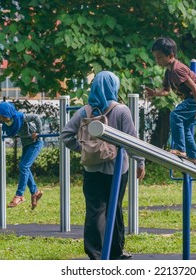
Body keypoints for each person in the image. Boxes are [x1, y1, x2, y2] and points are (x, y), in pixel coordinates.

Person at [60, 71, 145, 260]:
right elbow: (132, 140)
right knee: (115, 208)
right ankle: (116, 251)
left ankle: (95, 253)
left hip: (92, 169)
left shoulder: (85, 111)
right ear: (114, 87)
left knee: (95, 210)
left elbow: (65, 135)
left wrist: (82, 149)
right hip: (116, 170)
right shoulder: (121, 110)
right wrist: (140, 162)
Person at [144, 37, 196, 164]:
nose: (157, 61)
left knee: (175, 115)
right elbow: (166, 90)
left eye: (160, 57)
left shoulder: (177, 69)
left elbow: (195, 87)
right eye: (156, 57)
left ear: (171, 55)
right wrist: (155, 93)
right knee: (185, 127)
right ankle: (194, 157)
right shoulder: (168, 72)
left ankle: (180, 149)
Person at [0, 102, 44, 210]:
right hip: (26, 144)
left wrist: (38, 132)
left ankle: (20, 195)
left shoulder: (21, 117)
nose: (2, 118)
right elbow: (11, 132)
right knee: (24, 167)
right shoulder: (6, 124)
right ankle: (35, 192)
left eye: (4, 116)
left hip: (36, 143)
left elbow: (36, 117)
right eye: (1, 116)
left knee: (24, 166)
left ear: (8, 113)